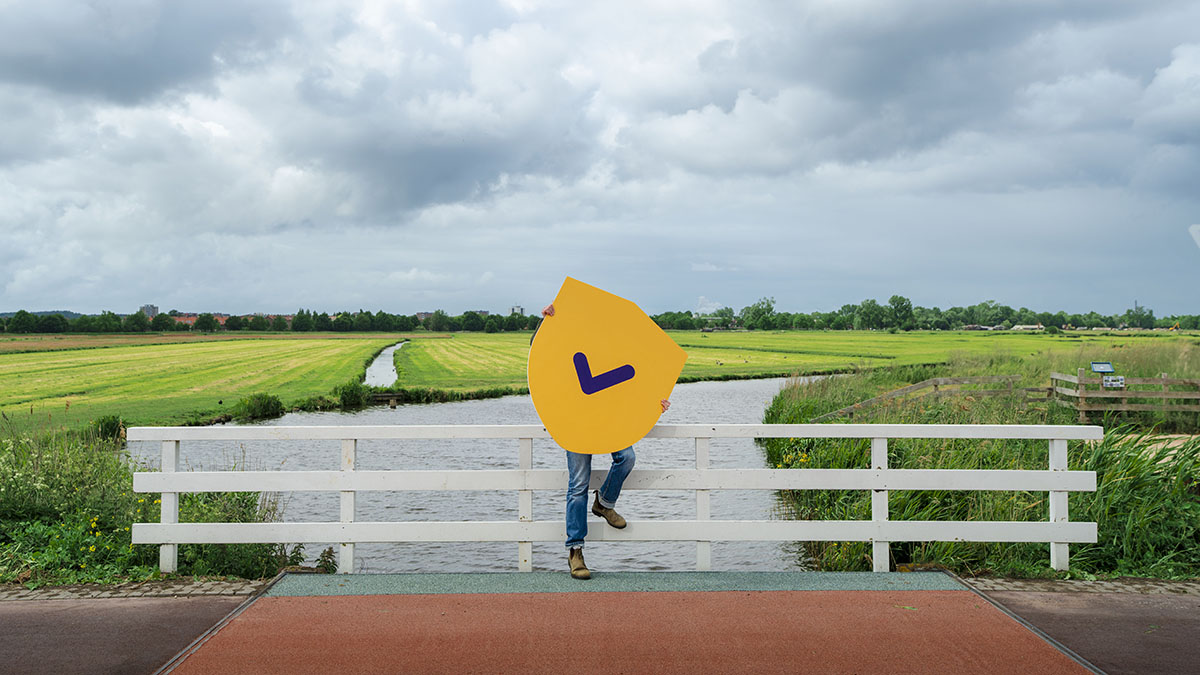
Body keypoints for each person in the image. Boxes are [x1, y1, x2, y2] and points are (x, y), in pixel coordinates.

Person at [536, 303, 671, 580]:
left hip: (608, 417)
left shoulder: (611, 344)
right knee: (578, 485)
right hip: (575, 420)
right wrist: (547, 322)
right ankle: (575, 551)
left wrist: (655, 402)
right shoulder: (568, 340)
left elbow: (633, 376)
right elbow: (540, 355)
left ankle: (604, 503)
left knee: (627, 457)